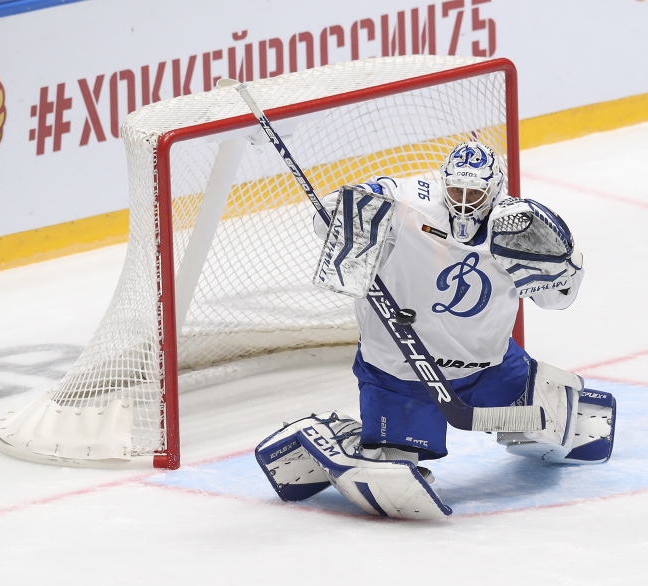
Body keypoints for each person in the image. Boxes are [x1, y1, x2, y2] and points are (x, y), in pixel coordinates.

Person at [255, 141, 616, 519]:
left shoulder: (514, 229)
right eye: (455, 191)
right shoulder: (409, 202)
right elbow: (333, 214)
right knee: (393, 466)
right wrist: (344, 211)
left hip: (487, 369)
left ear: (494, 192)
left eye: (473, 193)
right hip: (400, 374)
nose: (463, 203)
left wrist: (565, 259)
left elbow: (557, 299)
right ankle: (343, 437)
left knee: (557, 427)